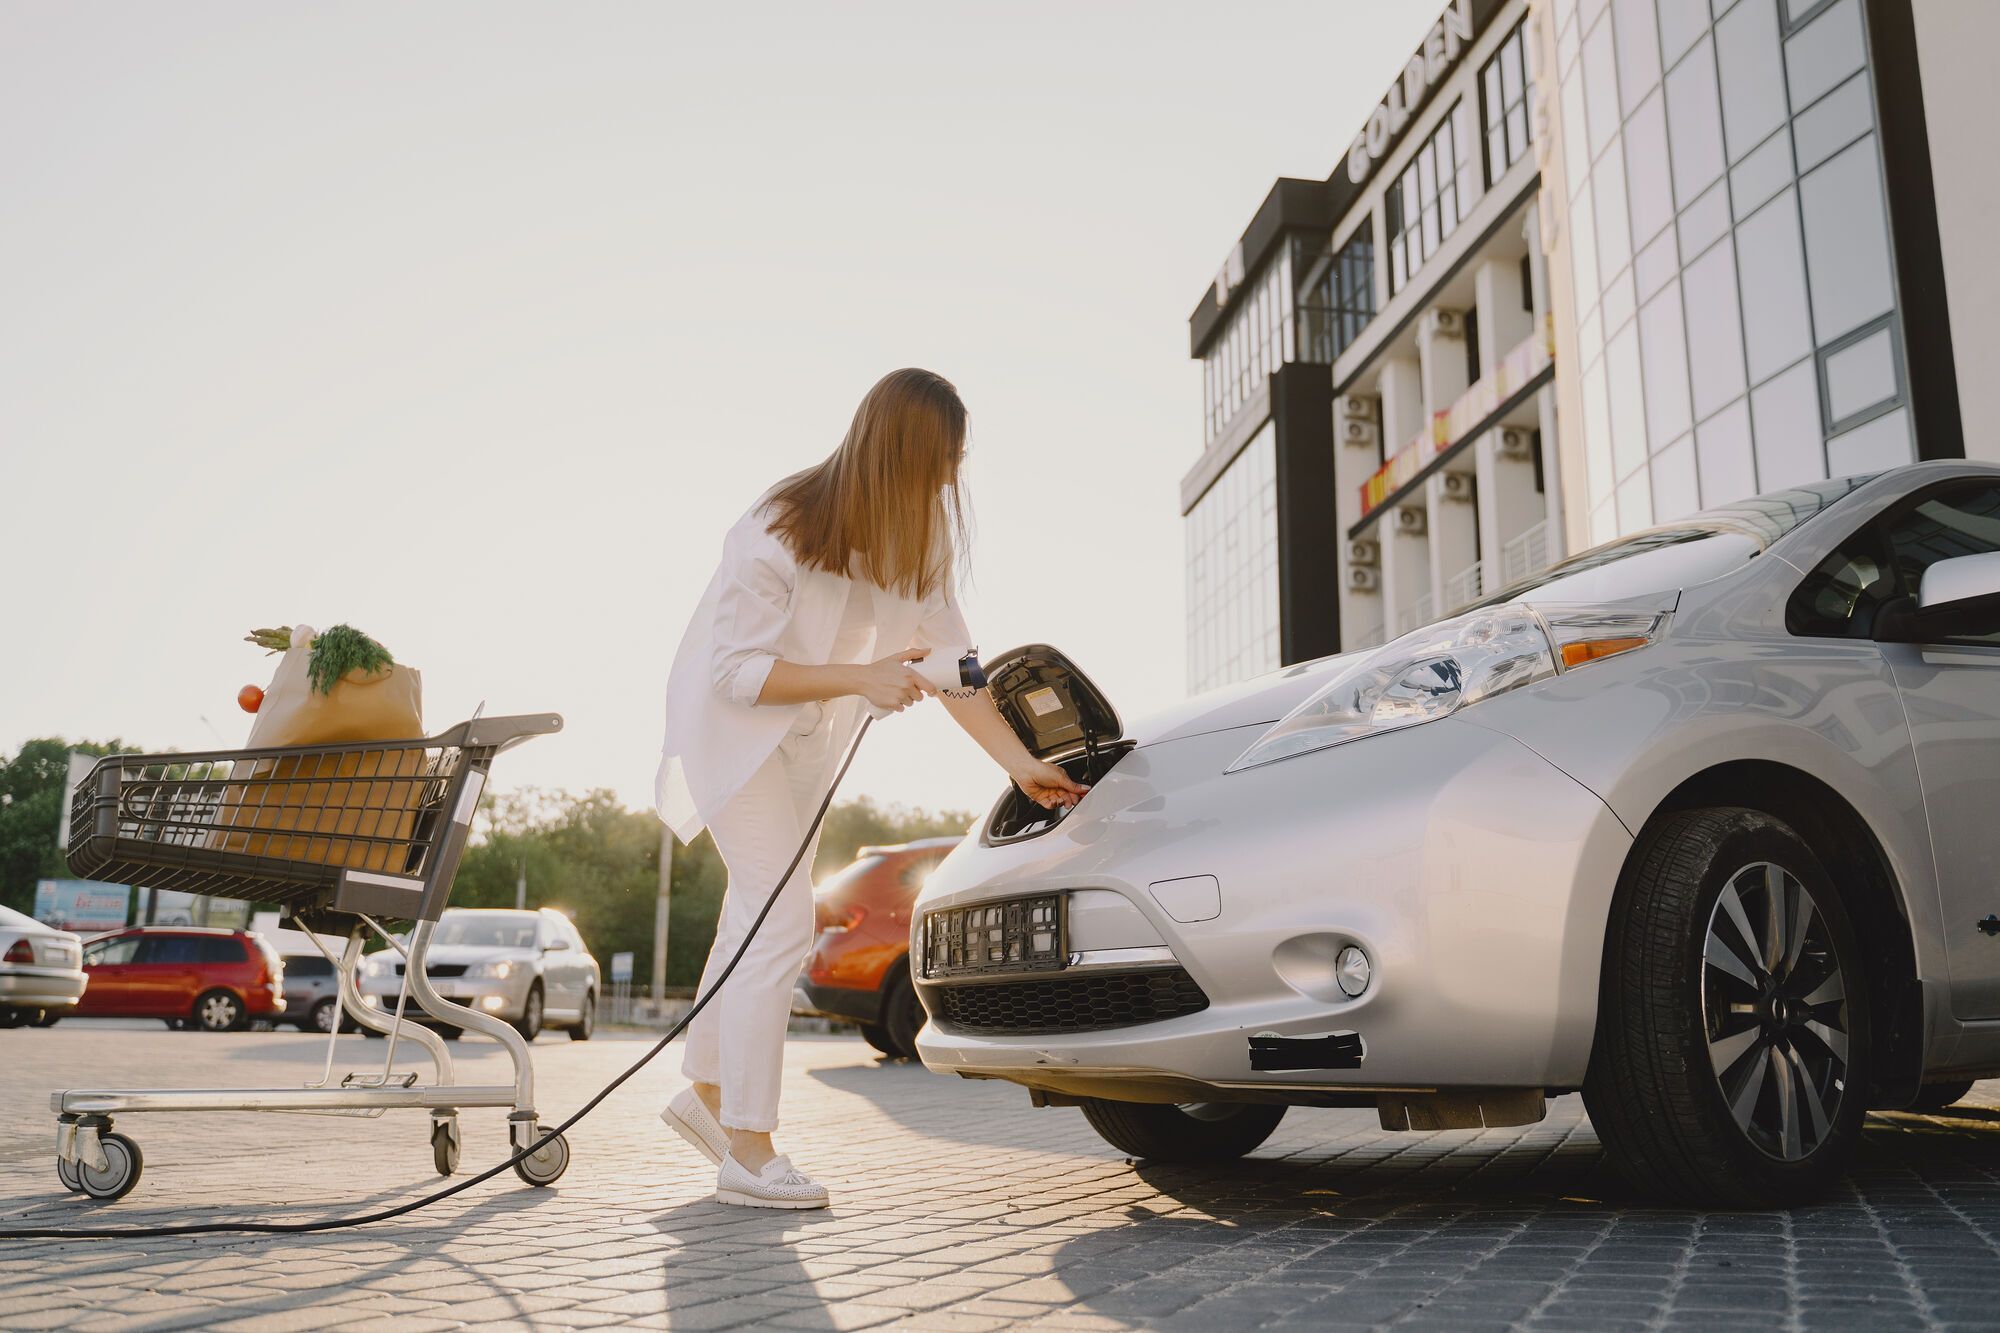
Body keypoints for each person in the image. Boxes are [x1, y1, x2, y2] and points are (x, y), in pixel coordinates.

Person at [654, 367, 1089, 1209]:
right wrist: (859, 675)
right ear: (901, 453)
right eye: (942, 459)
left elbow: (957, 669)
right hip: (733, 733)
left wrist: (1017, 763)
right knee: (781, 917)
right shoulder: (775, 528)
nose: (951, 480)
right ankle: (748, 1144)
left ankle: (705, 1095)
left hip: (807, 742)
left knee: (753, 913)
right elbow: (739, 674)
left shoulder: (922, 543)